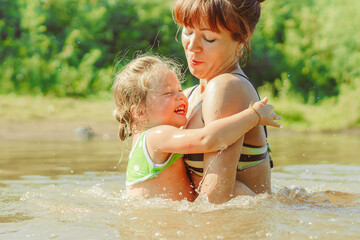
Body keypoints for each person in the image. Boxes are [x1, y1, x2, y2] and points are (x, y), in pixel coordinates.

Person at [113, 54, 281, 201]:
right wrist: (253, 115)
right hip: (160, 226)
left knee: (237, 190)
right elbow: (208, 139)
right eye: (168, 93)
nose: (181, 96)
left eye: (179, 89)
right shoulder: (156, 136)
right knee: (238, 192)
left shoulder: (149, 138)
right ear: (140, 112)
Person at [173, 0, 274, 203]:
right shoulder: (190, 94)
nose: (192, 46)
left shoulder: (227, 87)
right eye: (187, 31)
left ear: (240, 40)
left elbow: (215, 201)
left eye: (209, 38)